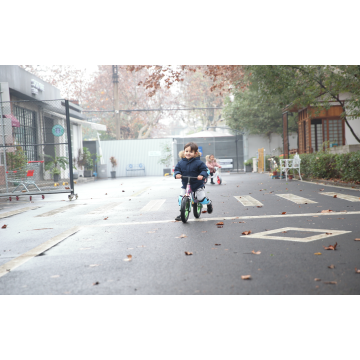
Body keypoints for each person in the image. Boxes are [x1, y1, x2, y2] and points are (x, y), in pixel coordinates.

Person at [173, 142, 213, 221]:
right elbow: (177, 169)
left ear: (195, 153)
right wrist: (177, 174)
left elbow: (205, 170)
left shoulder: (199, 163)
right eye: (186, 151)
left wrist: (202, 175)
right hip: (185, 184)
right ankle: (182, 213)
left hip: (197, 184)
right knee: (181, 198)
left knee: (201, 199)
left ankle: (209, 203)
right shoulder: (181, 162)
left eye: (191, 152)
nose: (188, 153)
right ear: (184, 152)